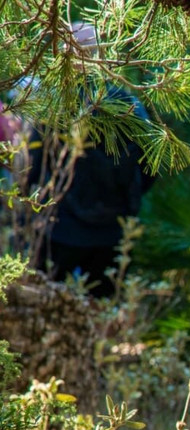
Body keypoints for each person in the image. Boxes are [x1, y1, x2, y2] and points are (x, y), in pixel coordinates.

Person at [27, 22, 155, 298]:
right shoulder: (127, 104)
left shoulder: (52, 104)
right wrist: (130, 196)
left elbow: (33, 164)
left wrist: (34, 207)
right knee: (102, 310)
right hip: (112, 227)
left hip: (60, 227)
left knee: (47, 308)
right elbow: (153, 161)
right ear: (98, 56)